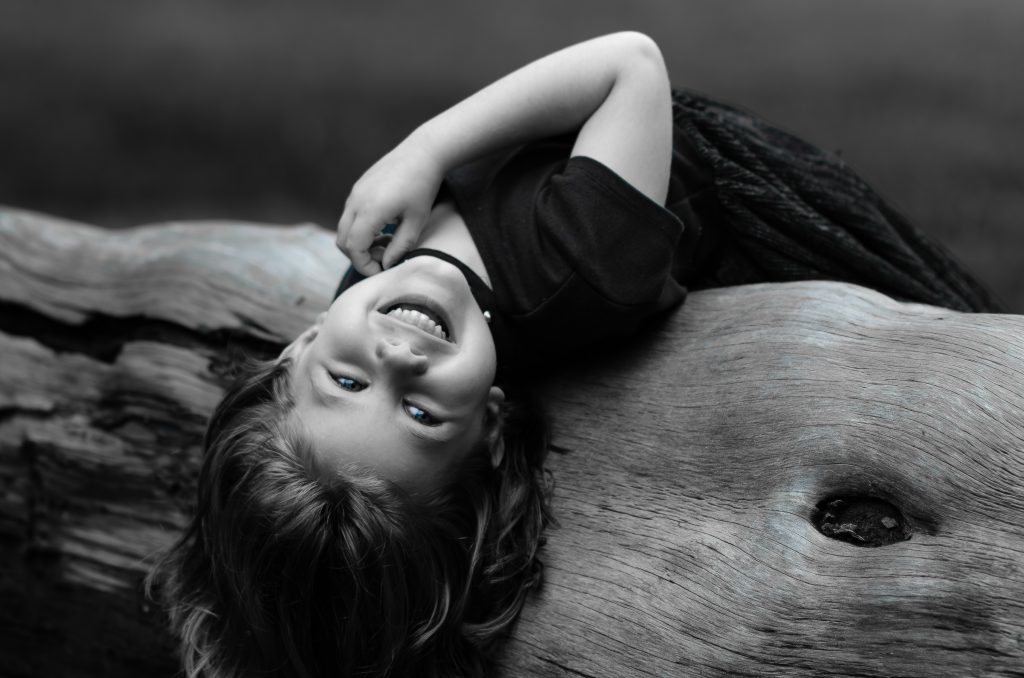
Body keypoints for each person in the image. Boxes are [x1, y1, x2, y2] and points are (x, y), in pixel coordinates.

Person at [149, 32, 1000, 678]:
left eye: (344, 379)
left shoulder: (363, 288)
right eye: (417, 410)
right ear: (488, 421)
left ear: (295, 350)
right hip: (699, 169)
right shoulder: (581, 262)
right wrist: (428, 149)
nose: (398, 356)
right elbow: (631, 62)